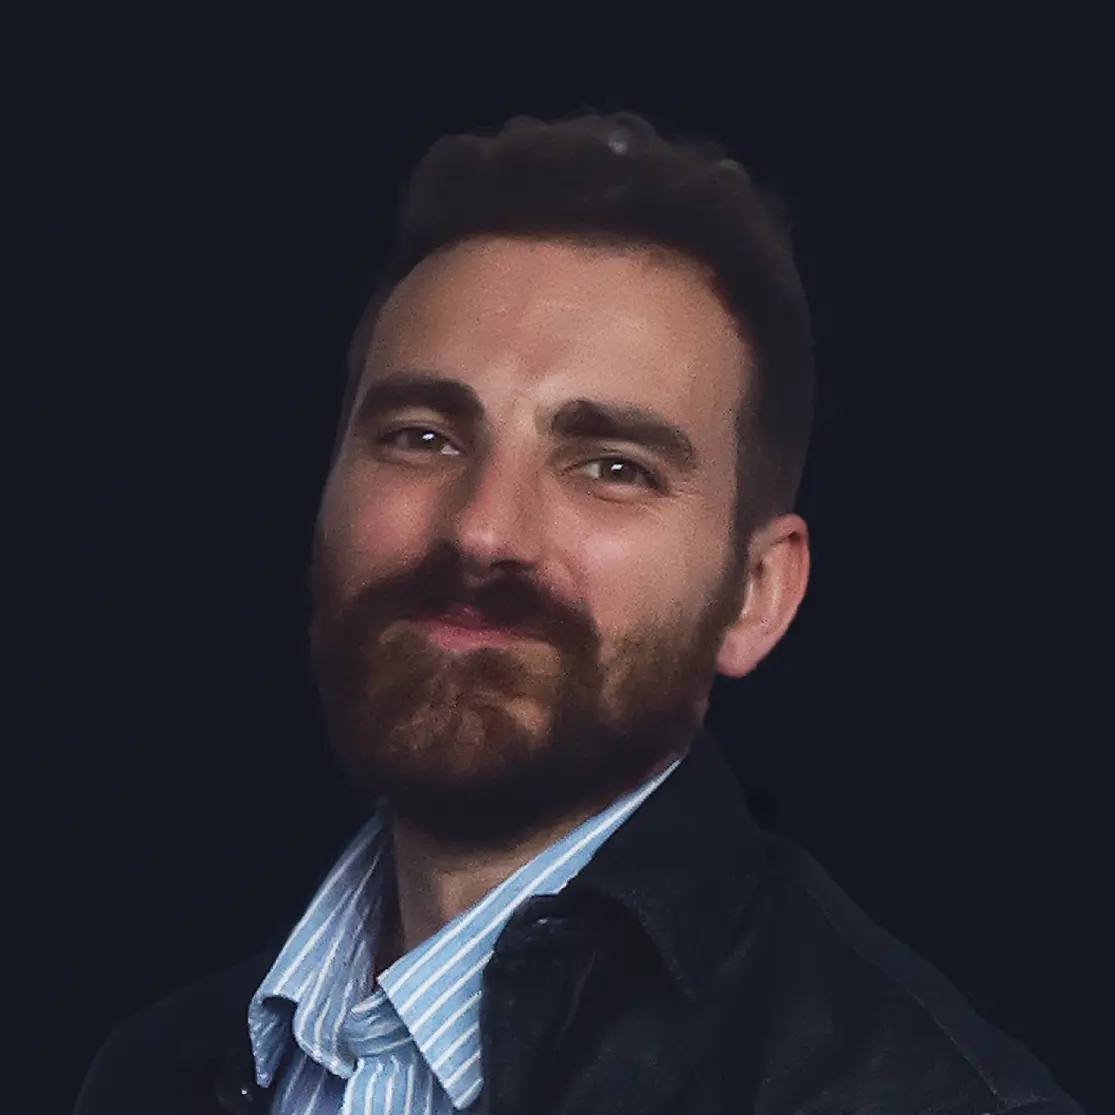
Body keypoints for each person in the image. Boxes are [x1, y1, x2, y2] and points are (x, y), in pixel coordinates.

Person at [74, 110, 1085, 1115]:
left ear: (754, 592)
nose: (481, 531)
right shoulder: (155, 1068)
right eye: (422, 436)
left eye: (611, 466)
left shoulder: (919, 1097)